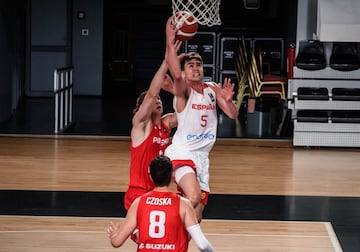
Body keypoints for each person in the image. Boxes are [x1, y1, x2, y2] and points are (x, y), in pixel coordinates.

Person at [164, 16, 239, 222]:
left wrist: (229, 100)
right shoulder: (184, 90)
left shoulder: (213, 89)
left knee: (196, 217)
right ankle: (160, 214)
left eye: (199, 64)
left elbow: (232, 115)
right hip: (183, 153)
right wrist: (170, 40)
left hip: (203, 157)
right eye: (191, 65)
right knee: (194, 198)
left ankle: (177, 240)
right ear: (185, 72)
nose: (196, 68)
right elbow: (175, 73)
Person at [107, 155, 215, 252]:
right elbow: (202, 245)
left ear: (151, 177)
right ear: (173, 176)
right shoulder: (184, 204)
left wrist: (114, 235)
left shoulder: (138, 203)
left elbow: (116, 242)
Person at [123, 46, 180, 212]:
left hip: (159, 192)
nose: (158, 101)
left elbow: (187, 111)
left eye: (160, 99)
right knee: (145, 238)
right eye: (155, 100)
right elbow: (151, 94)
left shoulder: (166, 123)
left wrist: (182, 85)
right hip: (139, 192)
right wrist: (166, 62)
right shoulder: (141, 126)